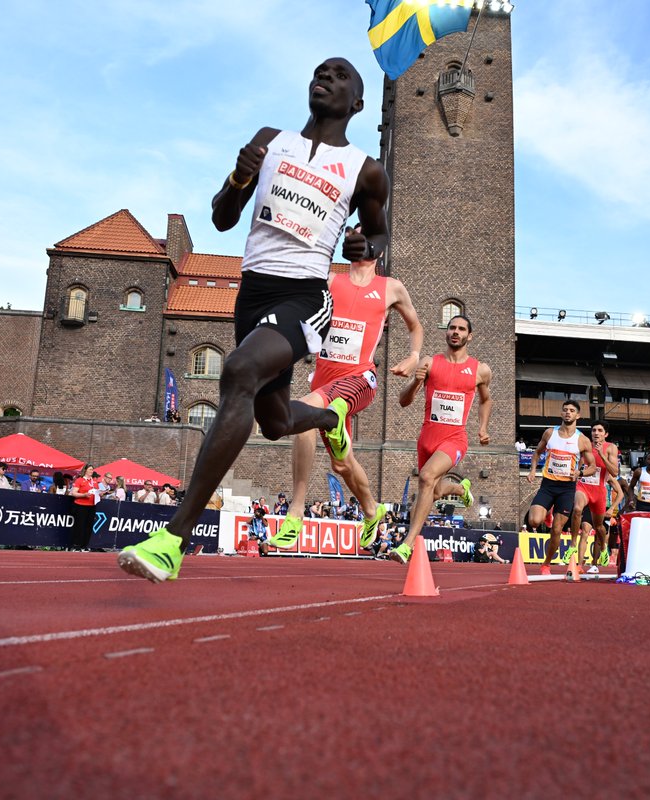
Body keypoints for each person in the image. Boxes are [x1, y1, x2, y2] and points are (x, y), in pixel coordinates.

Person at [118, 57, 389, 583]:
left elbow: (378, 235)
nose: (326, 78)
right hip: (252, 291)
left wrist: (363, 245)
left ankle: (174, 538)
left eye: (339, 76)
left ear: (357, 102)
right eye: (320, 71)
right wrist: (240, 174)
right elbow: (222, 218)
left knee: (238, 371)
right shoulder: (270, 141)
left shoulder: (365, 168)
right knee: (276, 421)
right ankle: (331, 421)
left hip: (305, 296)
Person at [276, 234, 423, 551]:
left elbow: (415, 325)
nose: (356, 241)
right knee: (341, 465)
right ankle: (372, 510)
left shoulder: (391, 288)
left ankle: (296, 509)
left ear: (378, 248)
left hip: (360, 379)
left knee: (303, 411)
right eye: (352, 235)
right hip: (325, 385)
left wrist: (413, 356)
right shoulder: (330, 281)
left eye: (364, 236)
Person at [389, 314, 492, 564]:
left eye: (461, 329)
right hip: (427, 438)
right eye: (452, 328)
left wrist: (483, 428)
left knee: (425, 477)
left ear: (470, 336)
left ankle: (407, 545)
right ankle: (459, 488)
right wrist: (416, 381)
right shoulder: (429, 362)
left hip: (455, 438)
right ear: (446, 333)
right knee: (432, 491)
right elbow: (403, 401)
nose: (455, 332)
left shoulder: (480, 369)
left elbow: (486, 399)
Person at [526, 400, 596, 576]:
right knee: (534, 521)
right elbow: (537, 453)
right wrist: (533, 470)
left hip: (566, 489)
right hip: (548, 485)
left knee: (557, 530)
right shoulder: (550, 433)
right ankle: (547, 512)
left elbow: (592, 467)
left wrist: (580, 473)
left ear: (577, 415)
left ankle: (546, 564)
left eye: (572, 411)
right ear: (561, 413)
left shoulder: (582, 440)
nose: (568, 413)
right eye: (565, 410)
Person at [570, 421, 622, 575]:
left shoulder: (611, 448)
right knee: (584, 528)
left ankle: (600, 555)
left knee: (599, 529)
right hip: (584, 488)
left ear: (605, 434)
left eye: (600, 430)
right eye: (594, 430)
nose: (596, 433)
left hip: (599, 494)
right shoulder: (585, 444)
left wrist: (601, 454)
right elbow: (579, 466)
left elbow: (614, 472)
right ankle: (578, 564)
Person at [69, 464, 96, 549]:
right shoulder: (79, 480)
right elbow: (74, 493)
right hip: (81, 505)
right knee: (80, 525)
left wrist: (101, 494)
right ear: (85, 470)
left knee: (89, 526)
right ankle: (77, 544)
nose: (92, 471)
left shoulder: (94, 481)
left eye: (92, 470)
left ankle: (85, 545)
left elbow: (96, 492)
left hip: (92, 505)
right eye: (90, 469)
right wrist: (84, 495)